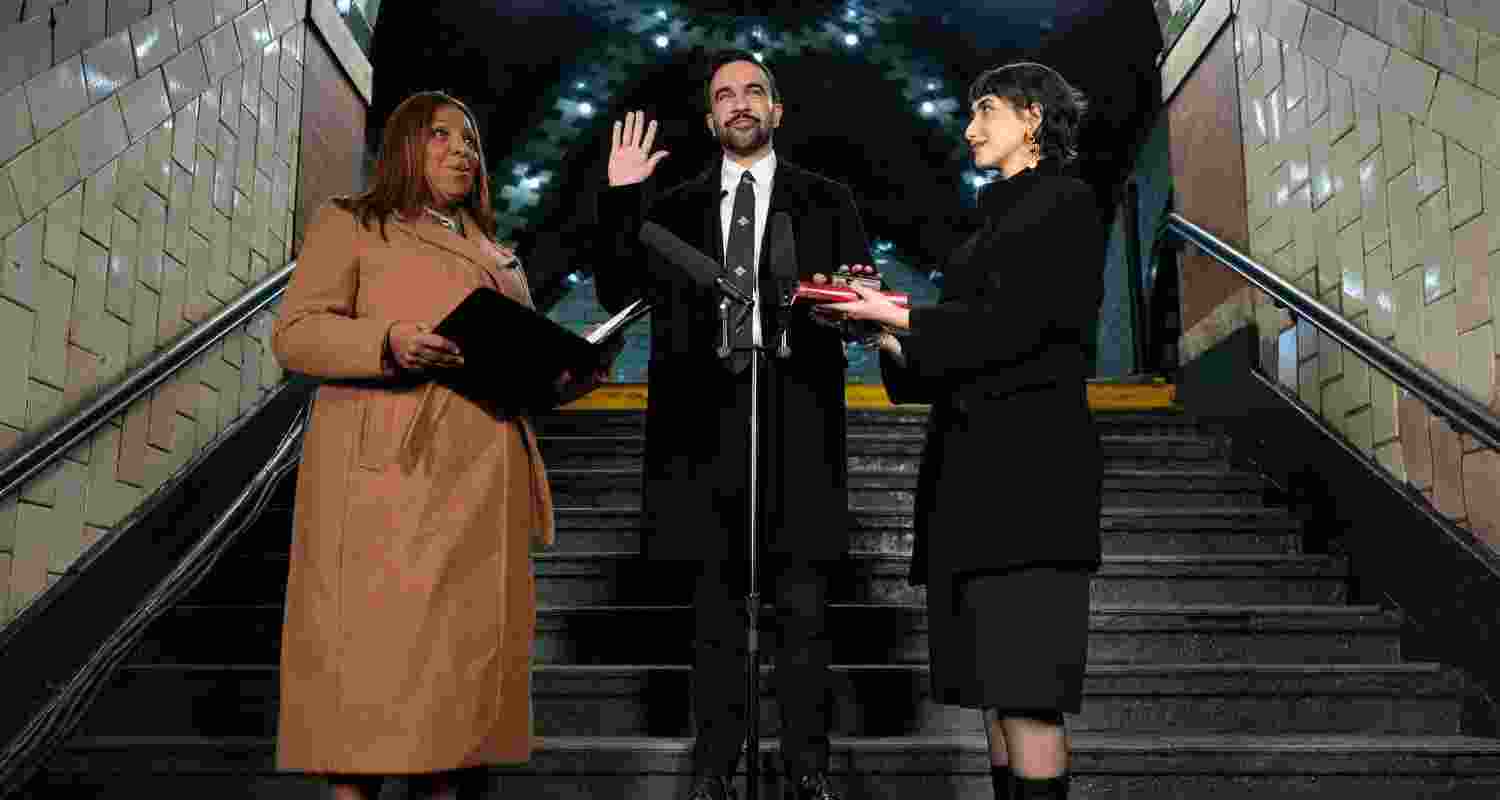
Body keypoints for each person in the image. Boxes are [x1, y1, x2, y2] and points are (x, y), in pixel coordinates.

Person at [272, 91, 601, 800]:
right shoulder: (354, 226)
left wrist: (571, 374)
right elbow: (295, 332)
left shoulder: (498, 255)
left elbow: (523, 366)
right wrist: (387, 341)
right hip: (388, 493)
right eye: (441, 136)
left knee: (457, 728)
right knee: (368, 717)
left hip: (486, 493)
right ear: (404, 147)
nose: (462, 150)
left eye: (471, 141)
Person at [591, 50, 874, 800]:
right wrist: (623, 196)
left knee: (805, 608)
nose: (740, 103)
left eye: (754, 91)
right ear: (710, 117)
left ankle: (808, 764)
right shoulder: (673, 209)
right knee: (714, 612)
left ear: (776, 111)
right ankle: (714, 762)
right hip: (701, 438)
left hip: (800, 430)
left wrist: (854, 310)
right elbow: (615, 286)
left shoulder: (828, 200)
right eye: (725, 95)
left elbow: (858, 298)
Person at [820, 62, 1105, 800]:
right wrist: (878, 327)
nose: (970, 129)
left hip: (1032, 490)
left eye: (985, 111)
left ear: (1033, 117)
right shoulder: (990, 225)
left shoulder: (1066, 201)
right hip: (969, 492)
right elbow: (935, 364)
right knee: (993, 694)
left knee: (1028, 697)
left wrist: (895, 312)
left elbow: (1014, 328)